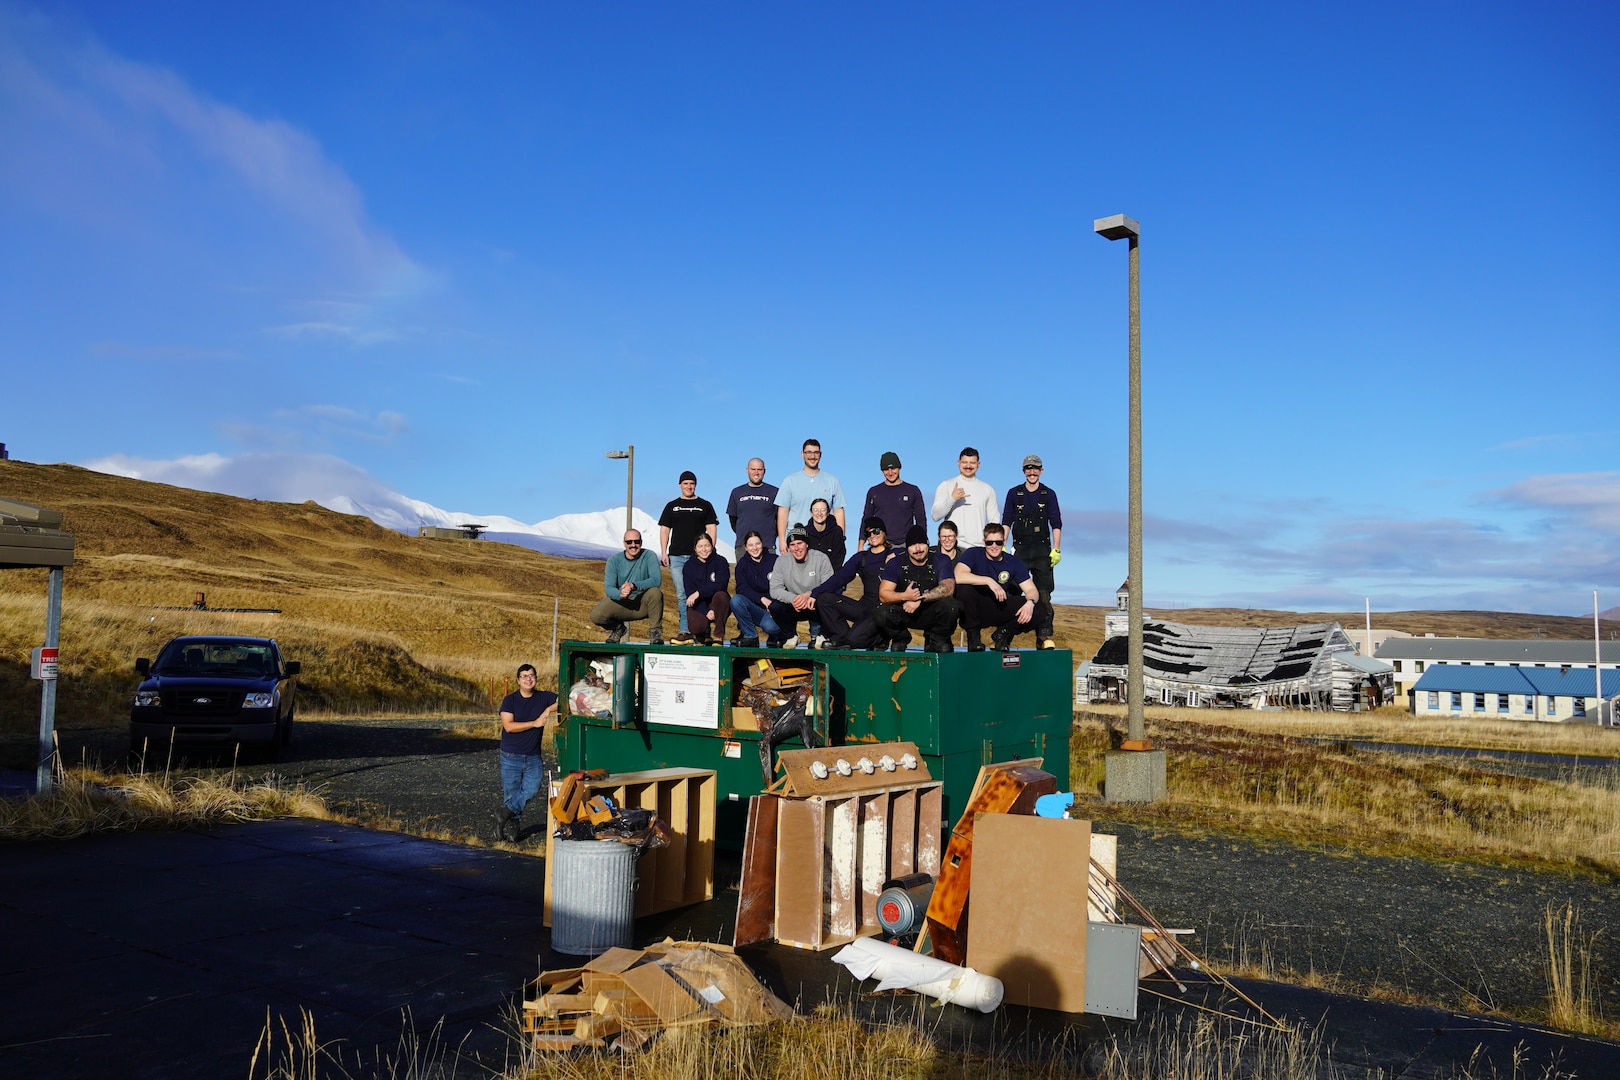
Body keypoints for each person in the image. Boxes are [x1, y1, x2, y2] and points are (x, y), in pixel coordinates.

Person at [1003, 454, 1063, 649]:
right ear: (1023, 471)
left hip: (1042, 550)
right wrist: (1003, 546)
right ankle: (1005, 634)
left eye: (1035, 468)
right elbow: (1006, 521)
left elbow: (1056, 523)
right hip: (1019, 549)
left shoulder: (1049, 494)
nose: (1032, 471)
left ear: (1041, 471)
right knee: (1012, 591)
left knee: (1044, 595)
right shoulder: (1014, 494)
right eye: (1028, 468)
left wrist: (1056, 549)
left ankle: (1043, 637)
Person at [874, 525, 961, 653]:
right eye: (913, 545)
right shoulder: (895, 563)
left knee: (952, 606)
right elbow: (883, 594)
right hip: (905, 610)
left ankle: (937, 639)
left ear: (928, 544)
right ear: (907, 547)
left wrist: (919, 598)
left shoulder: (941, 559)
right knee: (881, 613)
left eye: (921, 543)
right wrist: (906, 596)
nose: (918, 549)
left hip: (931, 611)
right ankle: (901, 638)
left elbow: (948, 588)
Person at [954, 523, 1040, 651]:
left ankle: (1002, 634)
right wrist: (989, 581)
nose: (994, 546)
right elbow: (958, 575)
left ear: (1004, 542)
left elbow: (1031, 590)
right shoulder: (973, 553)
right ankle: (974, 638)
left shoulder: (1014, 562)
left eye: (998, 543)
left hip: (1000, 605)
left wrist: (1030, 603)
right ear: (984, 542)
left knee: (1039, 608)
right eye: (990, 543)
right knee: (964, 590)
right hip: (977, 607)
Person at [812, 517, 896, 649]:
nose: (872, 536)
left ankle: (881, 638)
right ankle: (841, 636)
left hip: (882, 610)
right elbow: (839, 578)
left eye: (876, 531)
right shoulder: (861, 558)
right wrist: (814, 594)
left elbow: (915, 555)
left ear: (884, 532)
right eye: (868, 533)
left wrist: (898, 556)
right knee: (824, 598)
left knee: (855, 639)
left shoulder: (895, 555)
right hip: (864, 607)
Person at [495, 663, 557, 843]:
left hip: (533, 755)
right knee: (511, 793)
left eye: (531, 675)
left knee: (531, 789)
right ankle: (513, 826)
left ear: (536, 678)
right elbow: (509, 726)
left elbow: (564, 700)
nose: (528, 679)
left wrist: (548, 709)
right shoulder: (510, 700)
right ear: (518, 680)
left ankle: (503, 813)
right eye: (524, 676)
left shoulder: (544, 697)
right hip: (511, 755)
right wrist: (535, 723)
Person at [658, 470, 718, 637]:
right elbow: (664, 530)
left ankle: (703, 629)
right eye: (685, 483)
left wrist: (710, 549)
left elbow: (712, 528)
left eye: (691, 483)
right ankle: (685, 629)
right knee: (682, 594)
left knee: (701, 592)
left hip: (698, 557)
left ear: (695, 485)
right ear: (680, 485)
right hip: (676, 556)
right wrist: (664, 552)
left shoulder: (705, 505)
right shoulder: (672, 506)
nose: (689, 486)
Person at [590, 530, 664, 644]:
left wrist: (634, 586)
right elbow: (609, 588)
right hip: (623, 603)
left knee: (655, 592)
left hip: (642, 604)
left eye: (636, 541)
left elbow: (656, 580)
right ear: (624, 544)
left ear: (641, 542)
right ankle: (618, 628)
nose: (633, 545)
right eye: (629, 542)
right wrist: (621, 594)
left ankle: (655, 633)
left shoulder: (649, 556)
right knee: (596, 615)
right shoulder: (614, 561)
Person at [768, 524, 835, 648]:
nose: (796, 548)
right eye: (792, 545)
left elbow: (829, 585)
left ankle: (821, 635)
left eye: (800, 543)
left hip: (815, 603)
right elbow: (775, 589)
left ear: (807, 544)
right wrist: (793, 599)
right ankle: (791, 635)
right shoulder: (782, 561)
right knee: (775, 606)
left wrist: (809, 595)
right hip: (795, 605)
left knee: (829, 600)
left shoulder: (821, 558)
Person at [775, 439, 845, 542]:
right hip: (796, 538)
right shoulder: (790, 481)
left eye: (816, 453)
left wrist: (841, 539)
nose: (812, 456)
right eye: (808, 452)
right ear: (802, 454)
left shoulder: (832, 481)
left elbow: (839, 511)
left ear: (820, 455)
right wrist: (782, 540)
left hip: (824, 538)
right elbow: (783, 512)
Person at [931, 447, 999, 549]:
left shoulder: (987, 489)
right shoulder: (946, 485)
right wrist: (952, 498)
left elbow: (994, 521)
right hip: (953, 546)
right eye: (964, 462)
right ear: (958, 463)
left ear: (978, 464)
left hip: (978, 547)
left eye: (972, 463)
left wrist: (993, 544)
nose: (968, 466)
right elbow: (935, 515)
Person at [732, 531, 789, 647]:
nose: (755, 548)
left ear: (762, 544)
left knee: (770, 627)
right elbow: (742, 589)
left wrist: (775, 606)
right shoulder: (742, 565)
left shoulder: (775, 560)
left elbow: (785, 586)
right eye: (751, 545)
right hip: (756, 608)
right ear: (745, 547)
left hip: (774, 607)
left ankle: (778, 635)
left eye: (757, 544)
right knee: (736, 600)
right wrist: (762, 599)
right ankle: (750, 636)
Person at [861, 451, 927, 546]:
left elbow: (921, 520)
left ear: (899, 468)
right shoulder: (874, 492)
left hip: (906, 544)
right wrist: (861, 544)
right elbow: (866, 519)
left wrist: (921, 540)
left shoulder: (913, 491)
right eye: (886, 469)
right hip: (881, 544)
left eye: (893, 468)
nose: (890, 472)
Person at [680, 534, 731, 645]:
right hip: (699, 605)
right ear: (695, 548)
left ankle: (718, 635)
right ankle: (701, 634)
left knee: (721, 596)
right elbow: (690, 594)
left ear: (712, 546)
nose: (704, 549)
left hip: (717, 603)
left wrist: (699, 592)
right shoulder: (688, 566)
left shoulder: (720, 562)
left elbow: (721, 585)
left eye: (707, 545)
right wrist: (705, 611)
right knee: (696, 626)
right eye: (700, 546)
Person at [725, 458, 779, 553]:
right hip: (743, 546)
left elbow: (781, 519)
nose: (756, 472)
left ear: (764, 471)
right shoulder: (737, 492)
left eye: (759, 469)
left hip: (767, 546)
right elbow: (732, 519)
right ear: (747, 470)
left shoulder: (774, 492)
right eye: (753, 469)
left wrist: (772, 535)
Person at [804, 497, 846, 570]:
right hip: (808, 575)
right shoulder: (804, 532)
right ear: (811, 513)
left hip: (831, 575)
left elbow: (838, 558)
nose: (819, 513)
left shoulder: (836, 531)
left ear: (828, 512)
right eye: (815, 510)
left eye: (823, 510)